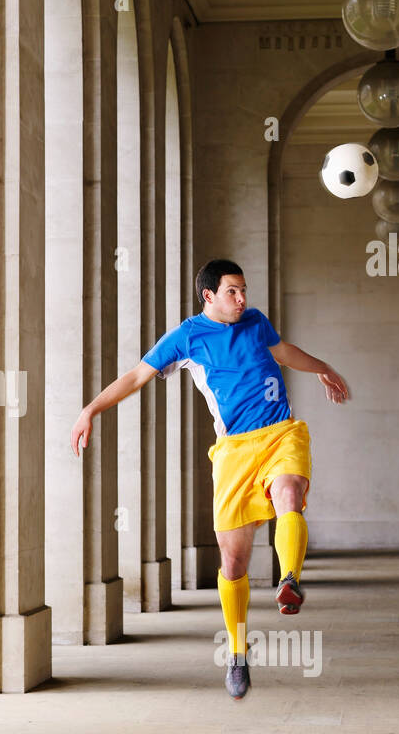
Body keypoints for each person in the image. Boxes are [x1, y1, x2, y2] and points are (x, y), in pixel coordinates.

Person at [70, 259, 350, 699]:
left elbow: (283, 351)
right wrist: (91, 409)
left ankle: (289, 580)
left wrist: (322, 368)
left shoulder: (256, 321)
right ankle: (238, 653)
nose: (242, 300)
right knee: (233, 563)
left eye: (244, 291)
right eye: (232, 292)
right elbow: (136, 375)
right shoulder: (187, 337)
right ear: (209, 296)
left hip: (280, 434)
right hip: (234, 452)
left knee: (289, 493)